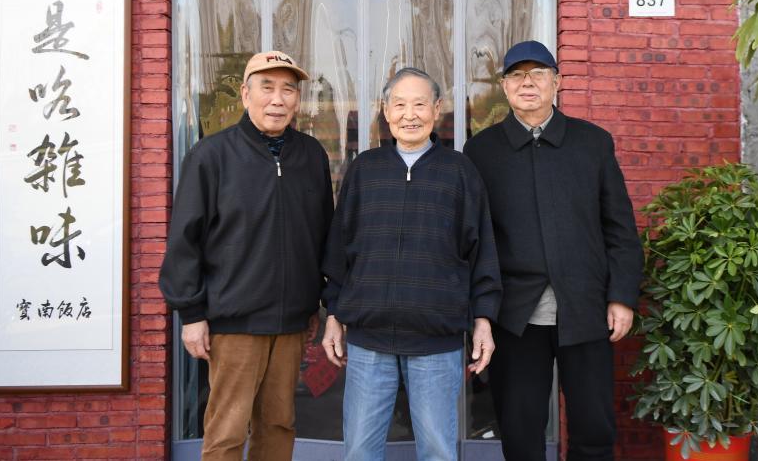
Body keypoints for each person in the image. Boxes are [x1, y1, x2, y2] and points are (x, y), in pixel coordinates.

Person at [463, 41, 644, 461]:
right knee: (520, 429)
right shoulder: (482, 152)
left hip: (586, 307)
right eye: (517, 75)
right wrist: (480, 311)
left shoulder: (592, 143)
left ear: (557, 82)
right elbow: (474, 239)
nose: (527, 83)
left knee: (594, 427)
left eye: (538, 73)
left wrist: (621, 296)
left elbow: (620, 229)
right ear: (504, 87)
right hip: (515, 314)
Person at [159, 50, 334, 461]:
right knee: (227, 430)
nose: (277, 99)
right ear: (245, 94)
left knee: (279, 425)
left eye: (288, 89)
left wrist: (316, 302)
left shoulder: (311, 155)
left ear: (297, 99)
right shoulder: (211, 155)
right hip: (234, 321)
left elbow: (323, 234)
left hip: (291, 322)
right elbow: (185, 241)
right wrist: (191, 314)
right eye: (266, 87)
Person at [321, 67, 502, 461]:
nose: (410, 114)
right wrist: (333, 313)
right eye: (400, 104)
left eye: (420, 104)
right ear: (386, 111)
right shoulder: (364, 170)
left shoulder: (460, 172)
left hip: (436, 342)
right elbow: (338, 250)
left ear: (436, 110)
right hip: (368, 341)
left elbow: (482, 251)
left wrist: (484, 319)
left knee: (438, 451)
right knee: (359, 452)